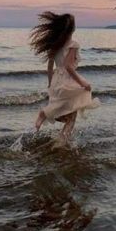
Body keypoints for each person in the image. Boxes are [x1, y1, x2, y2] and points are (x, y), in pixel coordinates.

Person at [29, 11, 100, 143]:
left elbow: (50, 66)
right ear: (73, 28)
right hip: (68, 80)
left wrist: (50, 83)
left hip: (57, 79)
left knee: (64, 112)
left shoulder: (55, 44)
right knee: (71, 116)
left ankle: (57, 133)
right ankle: (61, 141)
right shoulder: (73, 44)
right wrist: (83, 84)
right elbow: (68, 66)